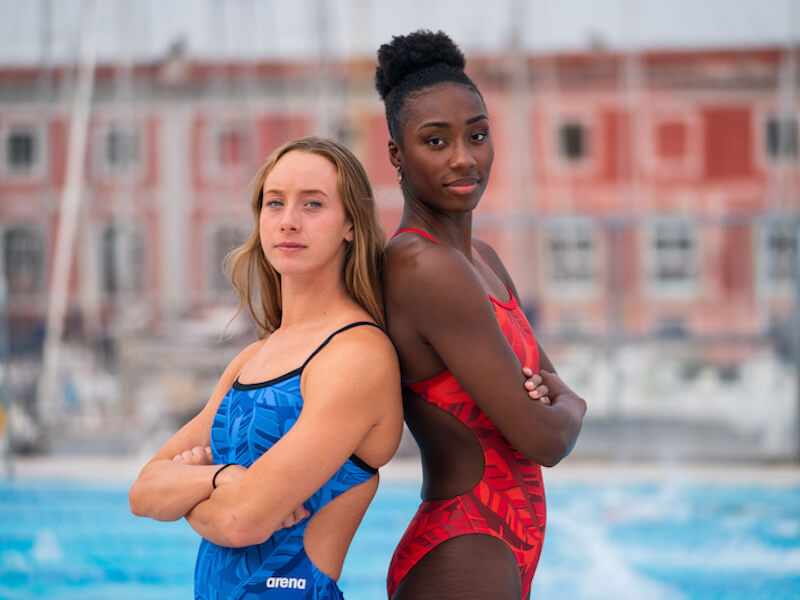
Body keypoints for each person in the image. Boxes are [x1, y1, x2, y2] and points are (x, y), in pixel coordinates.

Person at [129, 136, 403, 600]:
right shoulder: (253, 357)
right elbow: (142, 492)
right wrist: (220, 479)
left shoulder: (356, 355)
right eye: (274, 204)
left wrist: (191, 493)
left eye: (312, 205)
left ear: (350, 225)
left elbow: (241, 522)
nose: (288, 221)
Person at [375, 31, 587, 599]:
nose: (464, 157)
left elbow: (548, 391)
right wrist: (575, 404)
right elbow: (542, 437)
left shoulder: (480, 259)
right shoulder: (423, 267)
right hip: (464, 544)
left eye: (478, 135)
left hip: (500, 545)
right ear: (397, 154)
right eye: (436, 141)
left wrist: (558, 400)